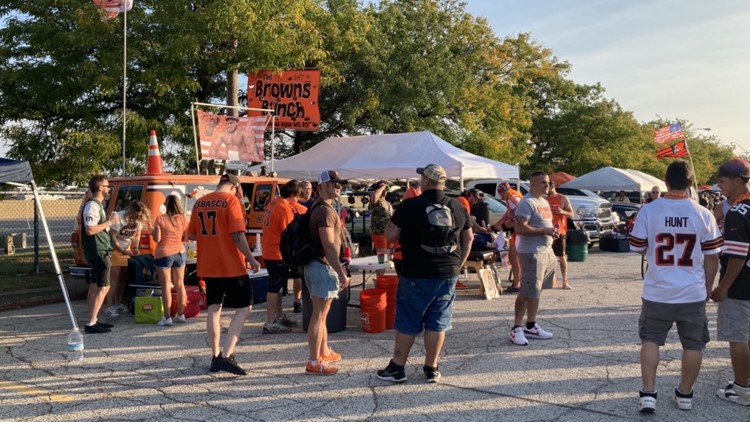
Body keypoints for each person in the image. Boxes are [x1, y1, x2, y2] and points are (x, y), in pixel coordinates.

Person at [629, 160, 722, 413]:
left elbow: (637, 247)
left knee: (650, 339)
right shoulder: (702, 213)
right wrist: (707, 286)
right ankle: (685, 394)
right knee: (693, 344)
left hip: (657, 290)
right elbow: (712, 256)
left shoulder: (649, 210)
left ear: (665, 181)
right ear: (690, 183)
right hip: (692, 291)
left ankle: (648, 393)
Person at [377, 164, 472, 384]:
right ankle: (432, 368)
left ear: (426, 181)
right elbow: (469, 239)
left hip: (415, 273)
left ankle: (397, 368)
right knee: (437, 322)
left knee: (409, 321)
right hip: (448, 272)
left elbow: (390, 235)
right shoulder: (458, 206)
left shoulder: (410, 205)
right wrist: (459, 264)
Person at [187, 173, 260, 375]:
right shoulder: (231, 201)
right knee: (244, 308)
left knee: (214, 308)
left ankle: (215, 355)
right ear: (236, 188)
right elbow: (237, 235)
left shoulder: (200, 202)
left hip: (207, 264)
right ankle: (227, 356)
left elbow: (191, 234)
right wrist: (252, 259)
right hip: (231, 264)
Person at [304, 170, 351, 375]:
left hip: (318, 265)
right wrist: (340, 271)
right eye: (334, 184)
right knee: (319, 315)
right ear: (322, 186)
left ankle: (322, 351)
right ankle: (314, 361)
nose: (338, 187)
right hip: (322, 266)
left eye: (340, 184)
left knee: (322, 315)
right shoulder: (324, 211)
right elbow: (329, 245)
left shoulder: (319, 207)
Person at [712, 158, 750, 407]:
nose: (719, 185)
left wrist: (723, 286)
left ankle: (742, 389)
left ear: (738, 181)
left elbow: (737, 255)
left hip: (742, 283)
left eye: (723, 180)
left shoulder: (738, 212)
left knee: (738, 337)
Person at [509, 172, 558, 346]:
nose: (547, 185)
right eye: (543, 183)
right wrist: (545, 231)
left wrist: (552, 231)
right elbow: (520, 229)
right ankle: (516, 328)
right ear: (533, 184)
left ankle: (531, 325)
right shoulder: (526, 202)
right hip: (532, 253)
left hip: (546, 250)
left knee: (536, 291)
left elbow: (542, 224)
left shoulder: (543, 201)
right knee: (526, 291)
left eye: (548, 182)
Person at [260, 180, 301, 334]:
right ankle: (270, 322)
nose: (297, 201)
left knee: (278, 287)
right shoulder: (284, 208)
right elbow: (289, 232)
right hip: (277, 252)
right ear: (292, 195)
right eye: (297, 197)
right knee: (274, 287)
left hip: (269, 250)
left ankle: (278, 316)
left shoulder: (273, 203)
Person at [80, 175, 120, 334]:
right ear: (100, 188)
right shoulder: (92, 206)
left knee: (96, 285)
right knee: (104, 286)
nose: (109, 189)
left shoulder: (97, 206)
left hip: (100, 250)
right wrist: (110, 222)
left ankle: (93, 319)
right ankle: (91, 323)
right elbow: (90, 229)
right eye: (107, 186)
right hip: (98, 251)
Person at [105, 200, 151, 318]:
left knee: (122, 278)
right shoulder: (119, 217)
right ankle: (109, 306)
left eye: (139, 217)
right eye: (135, 215)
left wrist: (135, 248)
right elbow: (113, 238)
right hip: (115, 249)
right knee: (114, 278)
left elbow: (136, 236)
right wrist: (122, 250)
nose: (136, 218)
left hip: (127, 249)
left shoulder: (138, 221)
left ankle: (118, 303)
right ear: (131, 212)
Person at [153, 195, 188, 327]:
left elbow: (157, 239)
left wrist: (153, 231)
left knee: (166, 286)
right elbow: (185, 236)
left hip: (164, 253)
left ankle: (167, 317)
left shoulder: (160, 219)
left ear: (166, 205)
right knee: (180, 285)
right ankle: (181, 314)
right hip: (180, 252)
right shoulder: (183, 219)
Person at [493, 182, 524, 293]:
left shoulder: (511, 197)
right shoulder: (516, 195)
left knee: (513, 258)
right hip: (519, 230)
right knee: (516, 258)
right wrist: (499, 223)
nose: (502, 197)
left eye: (501, 195)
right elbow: (508, 214)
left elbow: (515, 213)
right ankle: (518, 281)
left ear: (503, 192)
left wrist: (506, 224)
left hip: (518, 231)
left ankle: (517, 284)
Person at [547, 181, 575, 290]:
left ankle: (565, 281)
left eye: (547, 186)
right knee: (547, 256)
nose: (545, 189)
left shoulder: (562, 198)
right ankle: (550, 280)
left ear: (552, 186)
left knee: (561, 256)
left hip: (560, 231)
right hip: (546, 231)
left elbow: (571, 214)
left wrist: (561, 211)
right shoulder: (543, 199)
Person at [291, 180, 313, 313]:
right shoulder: (296, 203)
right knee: (297, 275)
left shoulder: (314, 203)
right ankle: (297, 301)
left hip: (309, 243)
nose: (308, 191)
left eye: (310, 188)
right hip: (297, 243)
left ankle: (309, 300)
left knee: (309, 274)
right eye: (305, 188)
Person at [369, 180, 394, 277]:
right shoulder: (376, 200)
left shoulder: (387, 203)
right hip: (379, 234)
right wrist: (382, 187)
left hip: (389, 234)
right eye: (383, 188)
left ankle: (383, 280)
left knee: (388, 260)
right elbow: (374, 197)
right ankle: (380, 280)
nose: (385, 190)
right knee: (381, 261)